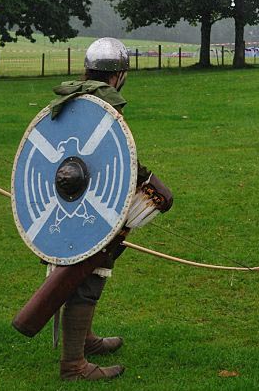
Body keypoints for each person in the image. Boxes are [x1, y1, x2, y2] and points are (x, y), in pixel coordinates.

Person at [44, 37, 170, 381]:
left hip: (65, 202)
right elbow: (107, 157)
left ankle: (83, 339)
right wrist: (149, 180)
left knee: (84, 273)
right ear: (120, 75)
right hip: (87, 205)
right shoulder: (104, 103)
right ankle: (74, 365)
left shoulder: (70, 99)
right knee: (86, 275)